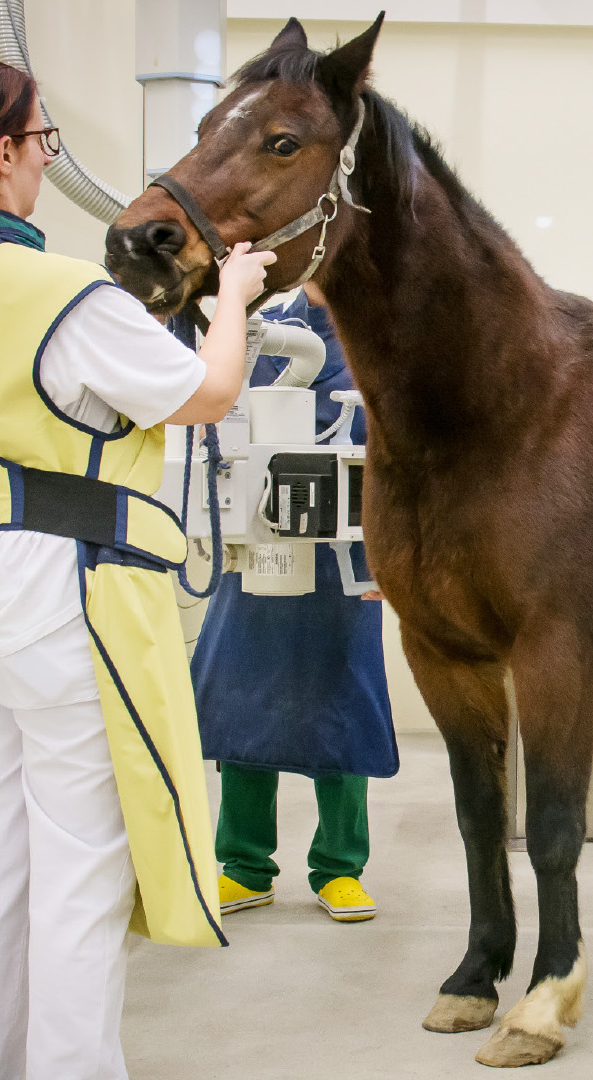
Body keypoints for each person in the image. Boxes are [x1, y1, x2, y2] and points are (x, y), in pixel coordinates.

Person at [0, 58, 275, 1080]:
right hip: (59, 596)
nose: (47, 165)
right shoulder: (58, 292)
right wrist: (232, 294)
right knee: (80, 875)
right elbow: (209, 394)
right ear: (1, 155)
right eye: (42, 143)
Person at [190, 284, 400, 923]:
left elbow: (412, 454)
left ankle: (340, 867)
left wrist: (399, 552)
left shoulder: (385, 331)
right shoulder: (263, 326)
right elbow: (214, 416)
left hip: (348, 549)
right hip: (255, 539)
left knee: (344, 702)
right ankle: (244, 864)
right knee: (245, 699)